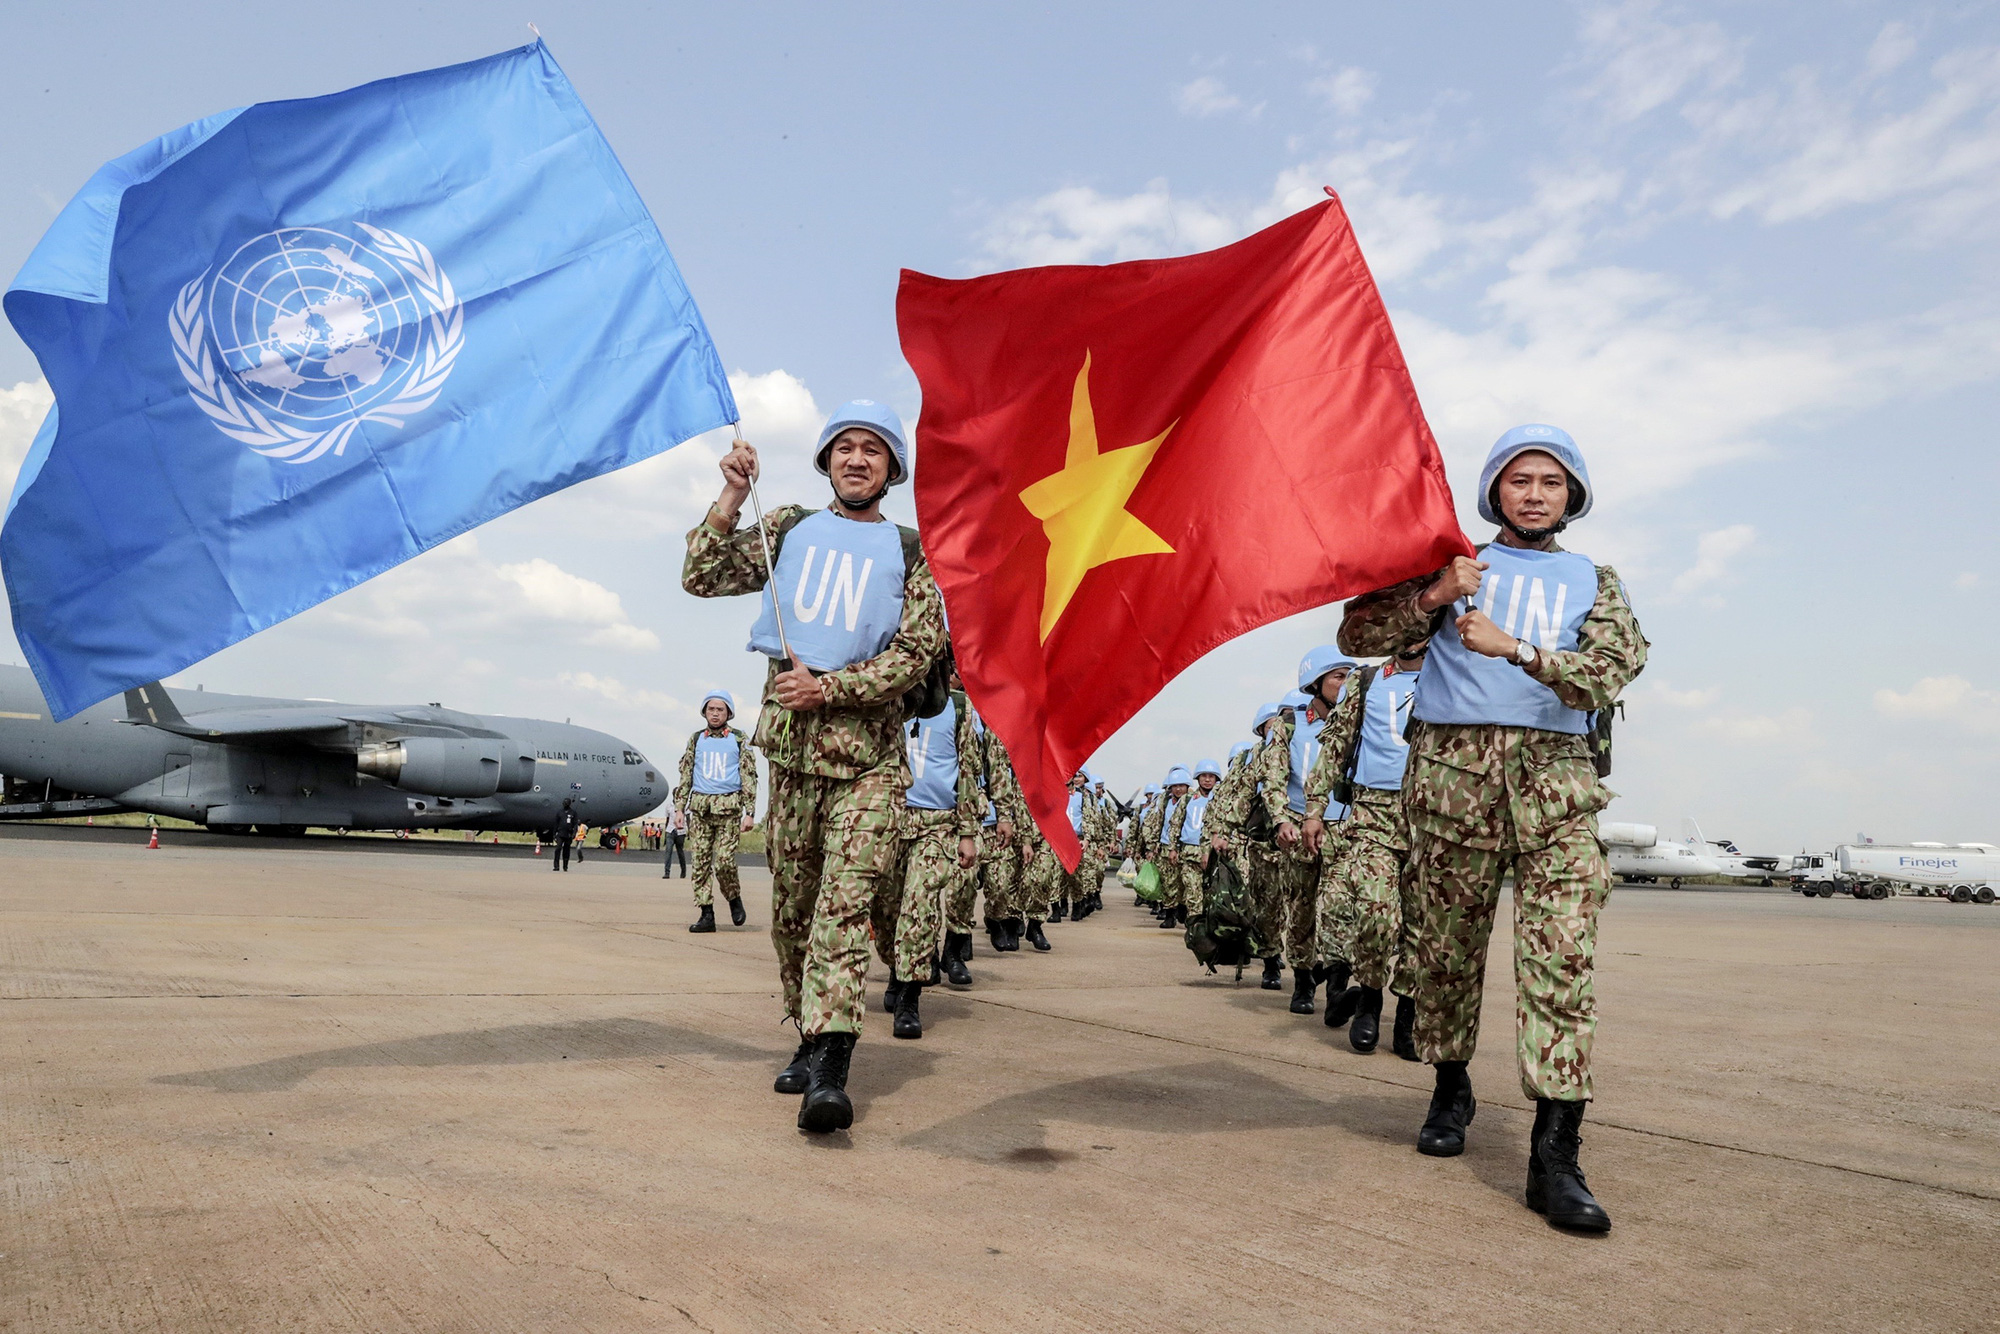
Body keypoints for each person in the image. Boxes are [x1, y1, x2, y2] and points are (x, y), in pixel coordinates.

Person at [1339, 424, 1644, 1232]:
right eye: (1519, 480)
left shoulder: (1594, 581)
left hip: (1557, 791)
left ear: (1571, 496)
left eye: (1550, 481)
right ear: (1495, 493)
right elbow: (1357, 635)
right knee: (1445, 954)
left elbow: (1610, 671)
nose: (1535, 493)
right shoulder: (1450, 565)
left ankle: (1555, 1155)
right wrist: (1435, 598)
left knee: (1562, 962)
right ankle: (1449, 1086)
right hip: (1451, 784)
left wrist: (1520, 651)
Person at [681, 399, 946, 1135]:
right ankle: (804, 1030)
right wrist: (733, 494)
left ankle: (831, 1066)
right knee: (794, 913)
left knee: (843, 911)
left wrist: (829, 687)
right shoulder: (788, 526)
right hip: (793, 761)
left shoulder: (914, 550)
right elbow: (701, 575)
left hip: (870, 768)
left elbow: (916, 653)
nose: (857, 459)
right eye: (844, 447)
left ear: (893, 469)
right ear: (826, 459)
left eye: (874, 450)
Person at [1305, 639, 1429, 1058]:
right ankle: (1370, 999)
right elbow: (1336, 744)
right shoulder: (1367, 680)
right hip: (1373, 811)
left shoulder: (1453, 670)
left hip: (1431, 814)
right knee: (1376, 913)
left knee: (1422, 924)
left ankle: (1408, 1017)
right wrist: (1314, 809)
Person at [874, 665, 981, 1037]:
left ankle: (909, 996)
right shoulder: (888, 698)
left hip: (938, 823)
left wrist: (967, 831)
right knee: (886, 909)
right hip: (890, 818)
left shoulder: (960, 708)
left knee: (919, 907)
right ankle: (894, 967)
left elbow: (968, 771)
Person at [1252, 668, 1350, 1014]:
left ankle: (1338, 984)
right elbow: (1273, 777)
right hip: (1296, 825)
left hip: (1344, 828)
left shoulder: (1358, 718)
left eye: (1350, 676)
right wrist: (1280, 819)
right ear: (1316, 683)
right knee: (1302, 908)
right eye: (1338, 676)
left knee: (1342, 908)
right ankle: (1305, 980)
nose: (1345, 683)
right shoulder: (1289, 725)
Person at [674, 689, 760, 933]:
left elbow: (749, 776)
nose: (715, 713)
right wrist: (679, 808)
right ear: (704, 712)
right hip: (700, 810)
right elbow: (686, 774)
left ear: (728, 713)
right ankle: (706, 913)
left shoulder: (739, 739)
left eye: (720, 709)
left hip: (729, 810)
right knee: (700, 863)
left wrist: (750, 811)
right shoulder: (695, 739)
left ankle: (733, 897)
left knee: (723, 862)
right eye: (710, 709)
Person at [1177, 759, 1222, 918]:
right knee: (1193, 891)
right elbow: (1176, 824)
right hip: (1190, 853)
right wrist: (1172, 849)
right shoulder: (1187, 800)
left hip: (1213, 854)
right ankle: (1194, 925)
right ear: (1197, 778)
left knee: (1211, 893)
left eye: (1211, 776)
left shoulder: (1221, 800)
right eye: (1204, 776)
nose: (1208, 780)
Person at [1150, 767, 1193, 928]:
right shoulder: (1165, 801)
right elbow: (1158, 821)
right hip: (1166, 846)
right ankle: (1169, 915)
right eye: (1175, 786)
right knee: (1168, 883)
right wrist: (1154, 844)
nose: (1178, 789)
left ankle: (1183, 908)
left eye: (1182, 785)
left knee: (1185, 881)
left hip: (1185, 847)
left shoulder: (1192, 800)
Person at [552, 798, 579, 872]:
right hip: (560, 834)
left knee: (566, 850)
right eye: (564, 802)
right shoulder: (560, 812)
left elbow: (575, 824)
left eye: (566, 803)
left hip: (568, 834)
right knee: (558, 849)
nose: (565, 804)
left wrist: (574, 833)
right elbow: (556, 824)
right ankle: (556, 866)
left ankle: (565, 866)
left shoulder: (573, 813)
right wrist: (554, 834)